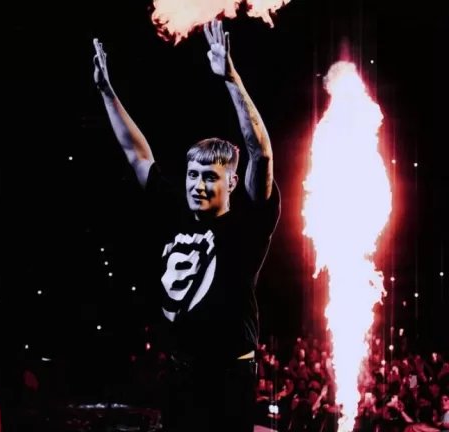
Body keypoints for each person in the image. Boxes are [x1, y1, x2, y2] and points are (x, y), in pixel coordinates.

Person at [92, 19, 280, 432]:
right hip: (181, 375)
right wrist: (107, 92)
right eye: (193, 175)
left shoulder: (247, 224)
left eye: (210, 177)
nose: (197, 185)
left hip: (228, 380)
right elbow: (137, 153)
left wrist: (231, 79)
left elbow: (260, 153)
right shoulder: (176, 209)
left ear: (232, 182)